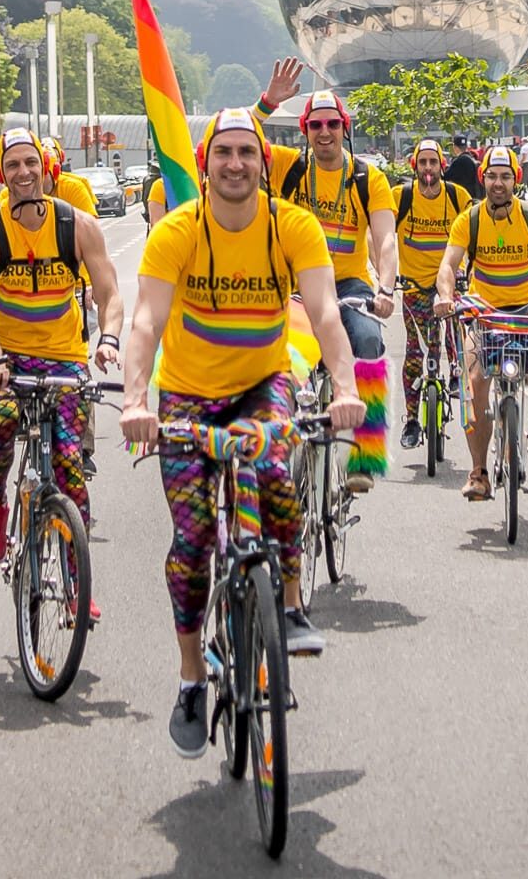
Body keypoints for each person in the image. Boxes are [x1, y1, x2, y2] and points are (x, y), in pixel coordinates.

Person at [117, 107, 362, 758]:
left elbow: (326, 314)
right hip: (188, 399)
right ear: (205, 164)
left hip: (262, 386)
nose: (234, 164)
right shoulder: (177, 232)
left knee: (280, 473)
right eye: (222, 153)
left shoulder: (292, 227)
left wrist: (344, 388)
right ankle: (192, 677)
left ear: (263, 162)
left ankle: (286, 604)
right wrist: (136, 400)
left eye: (245, 153)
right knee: (194, 540)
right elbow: (145, 323)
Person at [0, 127, 123, 585]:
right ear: (1, 173)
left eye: (30, 162)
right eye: (12, 165)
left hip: (65, 360)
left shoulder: (77, 225)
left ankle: (77, 581)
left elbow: (110, 293)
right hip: (7, 360)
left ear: (47, 168)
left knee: (71, 467)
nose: (23, 172)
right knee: (1, 423)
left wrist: (108, 339)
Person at [254, 58, 397, 494]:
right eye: (315, 125)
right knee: (270, 358)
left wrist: (386, 288)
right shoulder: (289, 169)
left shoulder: (366, 178)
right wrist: (267, 103)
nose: (324, 133)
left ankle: (365, 456)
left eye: (332, 124)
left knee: (369, 342)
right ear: (305, 130)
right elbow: (230, 139)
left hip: (350, 286)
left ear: (344, 127)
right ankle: (269, 452)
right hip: (296, 285)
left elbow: (386, 239)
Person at [432, 145, 528, 500]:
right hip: (484, 312)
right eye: (492, 176)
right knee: (476, 384)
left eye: (505, 176)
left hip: (527, 307)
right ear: (483, 179)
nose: (498, 183)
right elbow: (448, 264)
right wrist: (446, 296)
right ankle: (478, 471)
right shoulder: (470, 220)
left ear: (516, 179)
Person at [393, 138, 469, 450]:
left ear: (442, 165)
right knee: (415, 351)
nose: (428, 168)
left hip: (447, 285)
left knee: (452, 331)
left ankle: (455, 376)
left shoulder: (457, 197)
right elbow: (378, 232)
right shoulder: (401, 197)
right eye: (422, 162)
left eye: (433, 162)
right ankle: (411, 420)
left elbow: (471, 235)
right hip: (412, 286)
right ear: (415, 165)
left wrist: (465, 270)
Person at [444, 136, 484, 200]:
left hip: (463, 198)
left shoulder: (458, 161)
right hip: (474, 196)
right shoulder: (472, 159)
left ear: (455, 147)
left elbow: (445, 177)